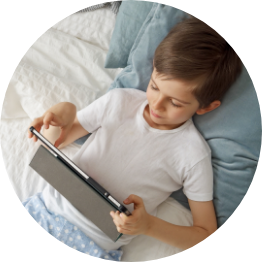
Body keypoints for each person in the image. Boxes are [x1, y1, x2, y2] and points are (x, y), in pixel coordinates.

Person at [27, 17, 242, 255]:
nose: (156, 105)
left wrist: (148, 225)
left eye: (175, 102)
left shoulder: (193, 155)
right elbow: (59, 139)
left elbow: (205, 232)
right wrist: (64, 110)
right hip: (43, 210)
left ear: (205, 107)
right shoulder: (119, 101)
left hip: (92, 245)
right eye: (155, 86)